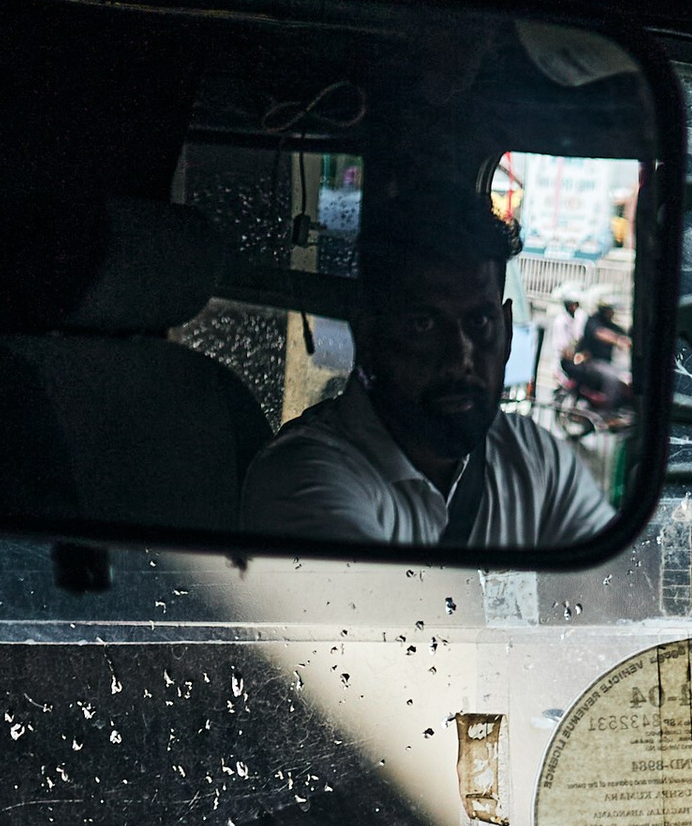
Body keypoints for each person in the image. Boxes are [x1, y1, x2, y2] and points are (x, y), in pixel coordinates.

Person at [240, 188, 614, 553]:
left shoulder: (534, 458)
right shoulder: (303, 477)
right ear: (367, 334)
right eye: (424, 324)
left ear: (507, 331)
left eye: (480, 323)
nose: (460, 358)